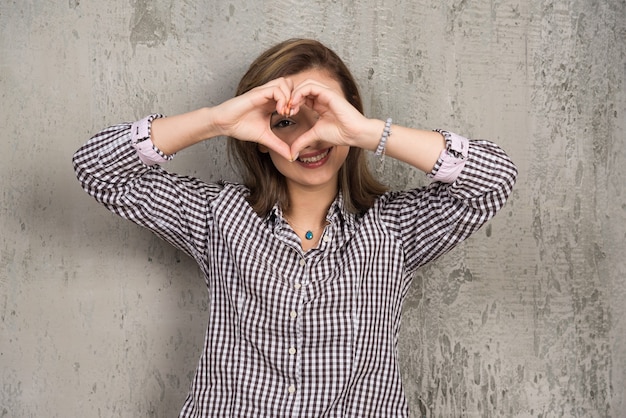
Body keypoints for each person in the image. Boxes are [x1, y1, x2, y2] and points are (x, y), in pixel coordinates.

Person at [73, 38, 517, 417]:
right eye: (285, 122)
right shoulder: (218, 216)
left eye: (325, 119)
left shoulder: (396, 228)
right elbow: (97, 169)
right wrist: (217, 120)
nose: (310, 139)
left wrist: (369, 132)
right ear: (260, 138)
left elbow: (493, 179)